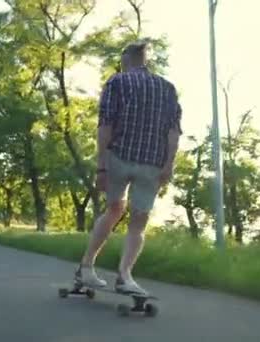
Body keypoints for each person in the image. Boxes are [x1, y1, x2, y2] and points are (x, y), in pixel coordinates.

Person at [74, 40, 182, 295]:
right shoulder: (167, 88)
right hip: (152, 163)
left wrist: (101, 167)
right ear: (145, 59)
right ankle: (125, 276)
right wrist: (169, 165)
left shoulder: (117, 82)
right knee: (139, 221)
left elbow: (105, 126)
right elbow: (173, 132)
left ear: (127, 57)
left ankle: (86, 268)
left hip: (119, 158)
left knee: (114, 210)